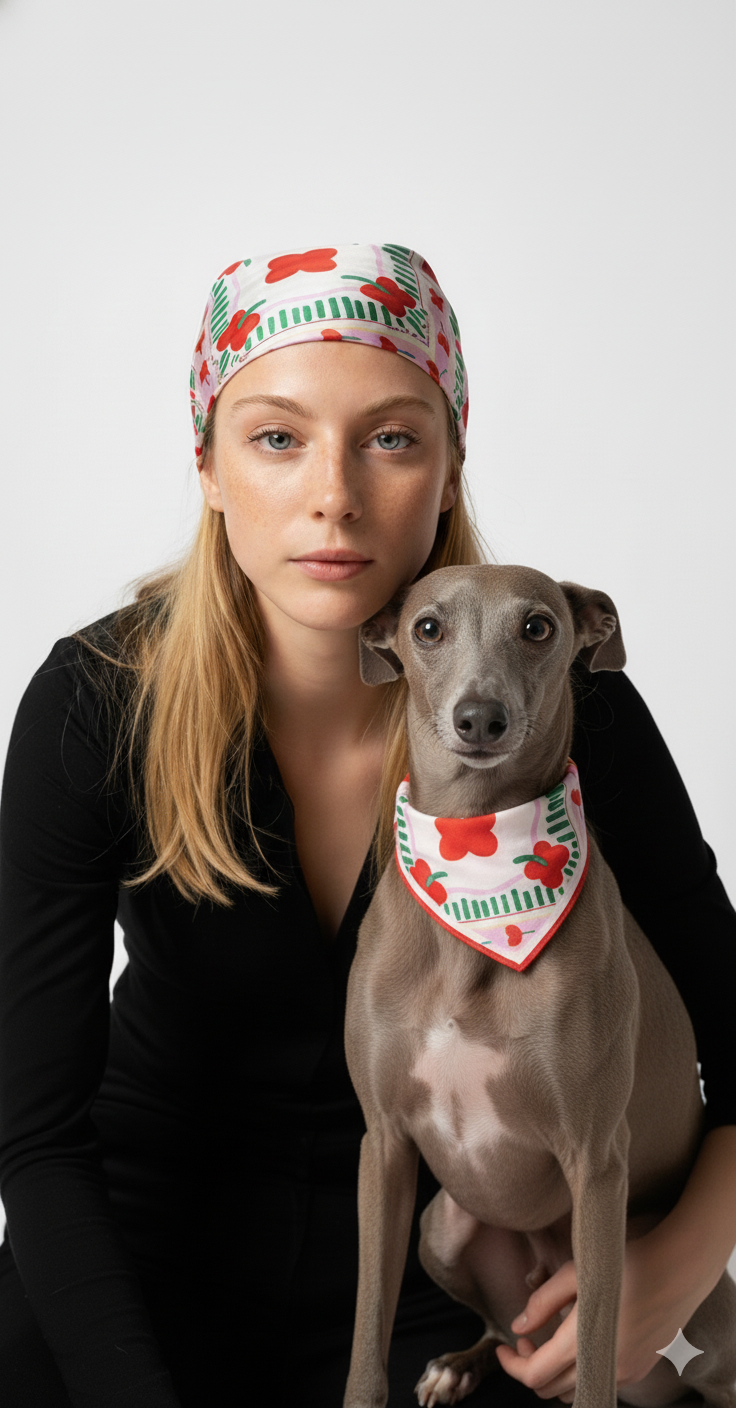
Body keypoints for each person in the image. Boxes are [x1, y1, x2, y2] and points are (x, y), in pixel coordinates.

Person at [0, 243, 734, 1408]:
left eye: (390, 437)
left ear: (448, 468)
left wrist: (673, 1263)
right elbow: (33, 1134)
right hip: (141, 1246)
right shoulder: (98, 702)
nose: (333, 493)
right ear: (207, 466)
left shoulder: (559, 695)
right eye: (276, 438)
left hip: (436, 1281)